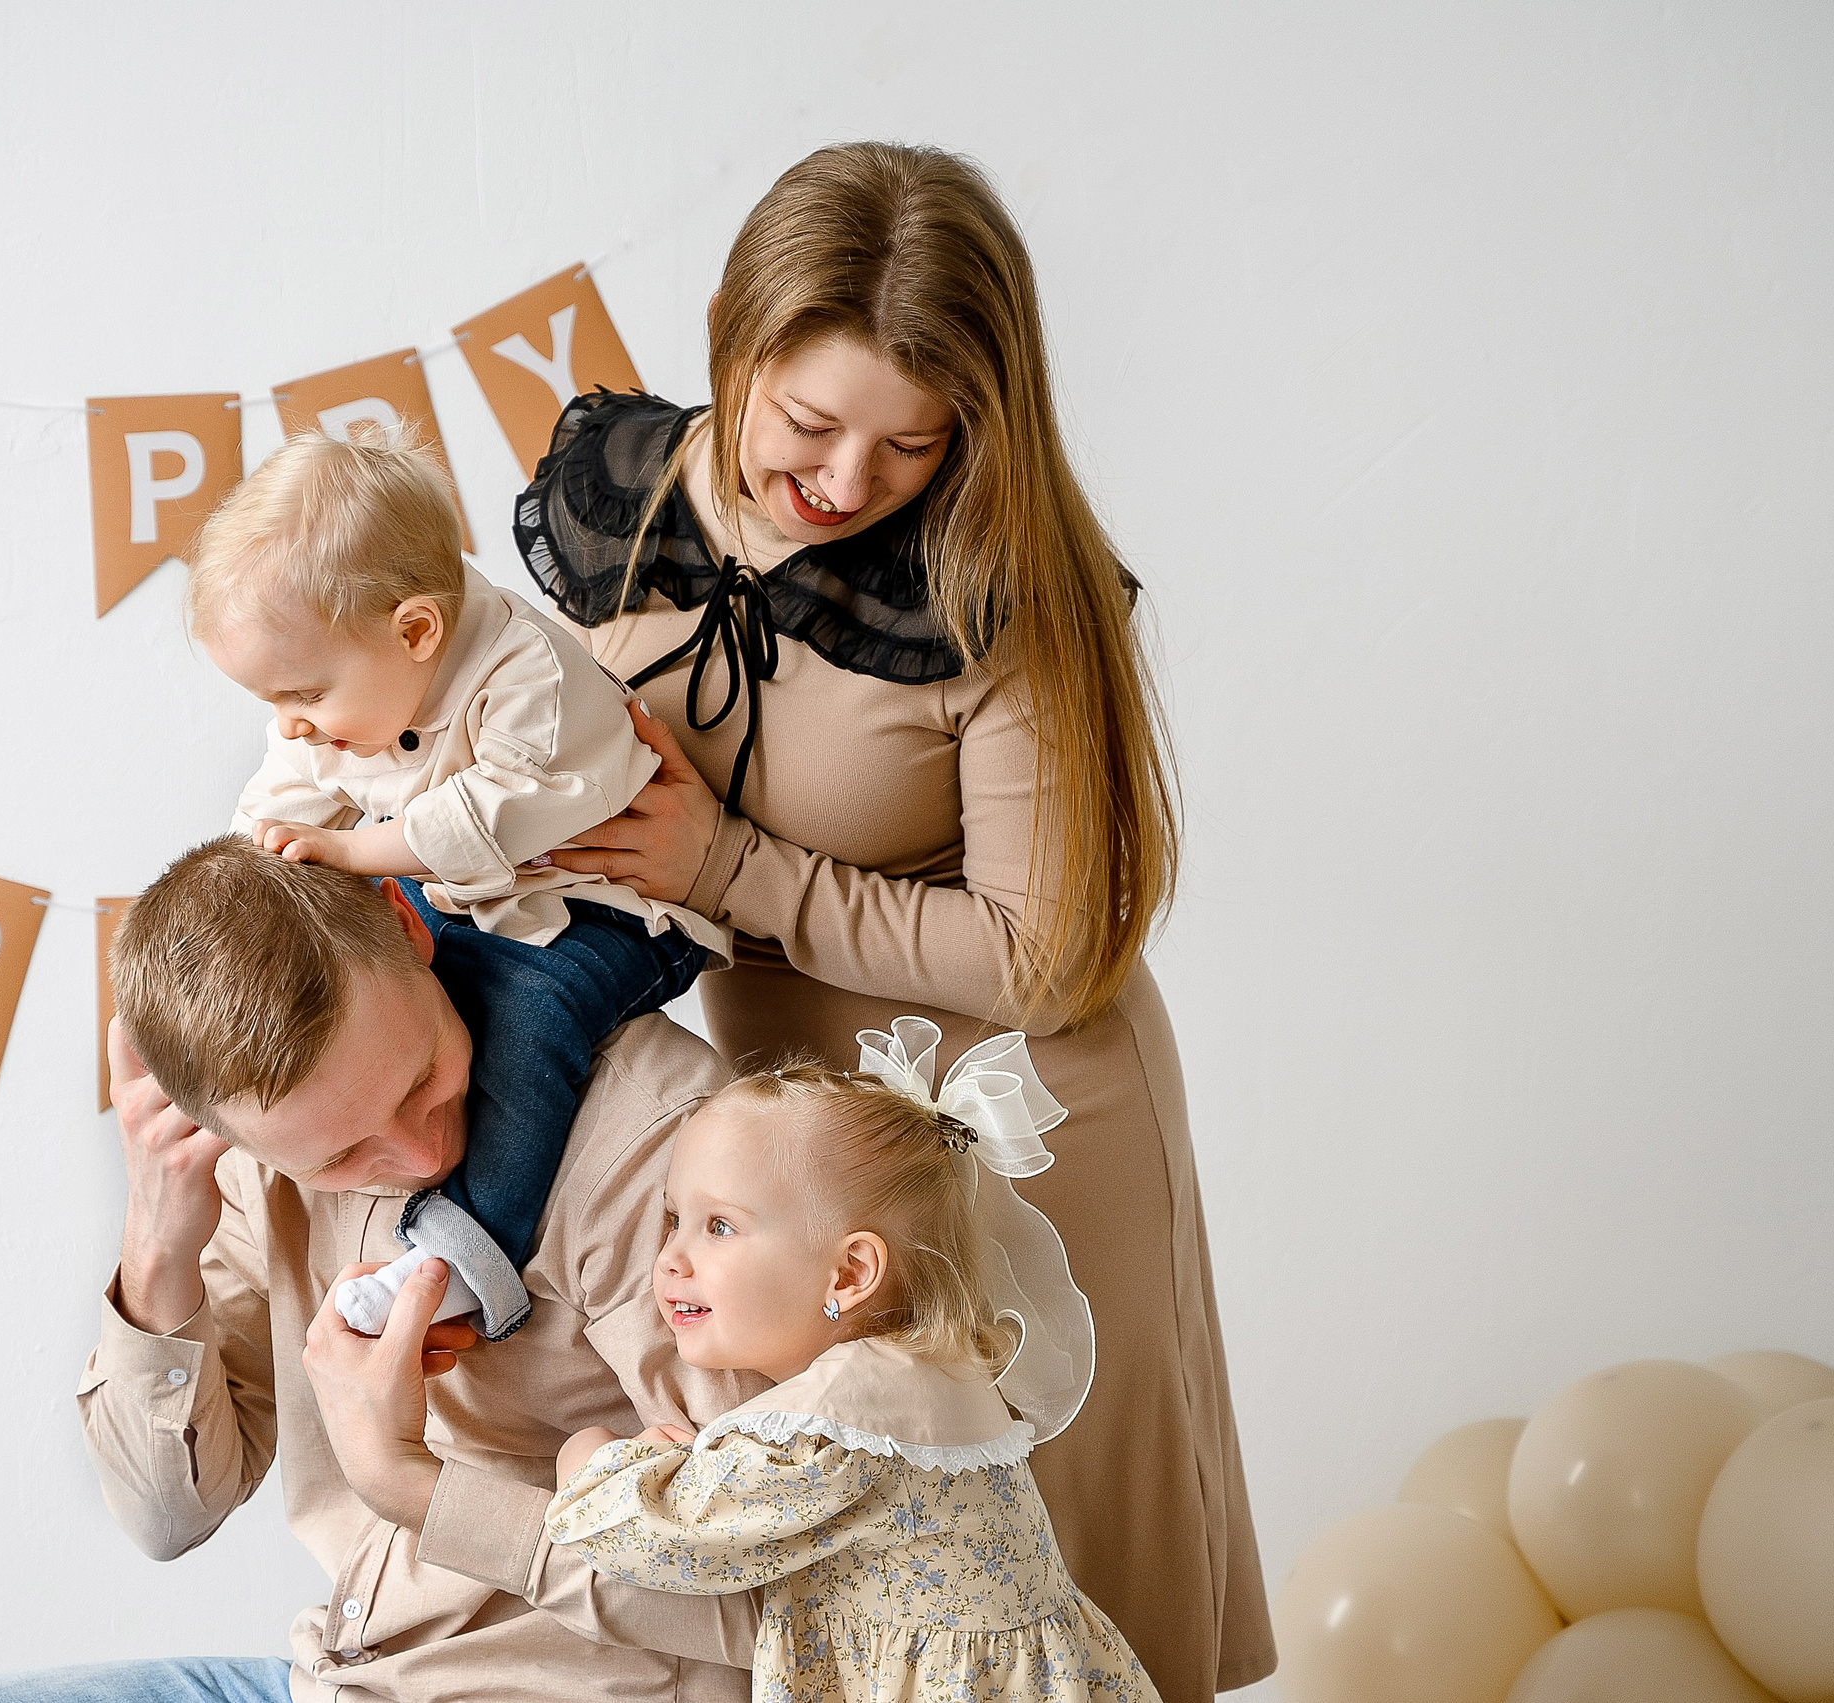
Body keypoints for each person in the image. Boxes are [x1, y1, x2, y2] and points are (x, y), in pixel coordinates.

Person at [521, 141, 1274, 1697]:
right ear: (733, 332)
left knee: (1050, 1602)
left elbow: (1043, 956)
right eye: (806, 423)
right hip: (793, 1153)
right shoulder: (623, 503)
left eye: (911, 444)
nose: (847, 482)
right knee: (839, 1594)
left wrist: (732, 868)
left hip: (1021, 1129)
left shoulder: (1001, 588)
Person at [0, 837, 765, 1703]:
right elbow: (167, 1517)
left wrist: (401, 1477)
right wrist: (158, 1237)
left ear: (405, 929)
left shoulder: (656, 1150)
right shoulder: (254, 1165)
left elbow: (780, 1595)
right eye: (341, 1157)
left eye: (424, 1079)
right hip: (331, 1675)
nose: (419, 1153)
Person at [187, 427, 727, 1343]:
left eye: (305, 697)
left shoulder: (531, 676)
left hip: (605, 906)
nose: (293, 724)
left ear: (416, 631)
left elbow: (498, 811)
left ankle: (466, 1254)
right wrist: (249, 897)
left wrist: (354, 855)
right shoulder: (349, 692)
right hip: (486, 902)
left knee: (521, 1022)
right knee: (410, 995)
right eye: (272, 703)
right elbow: (280, 796)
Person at [546, 1024, 1163, 1703]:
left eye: (718, 1225)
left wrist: (585, 1457)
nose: (670, 1258)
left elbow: (662, 1538)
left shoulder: (842, 1428)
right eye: (673, 1218)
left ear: (849, 1272)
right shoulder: (931, 1370)